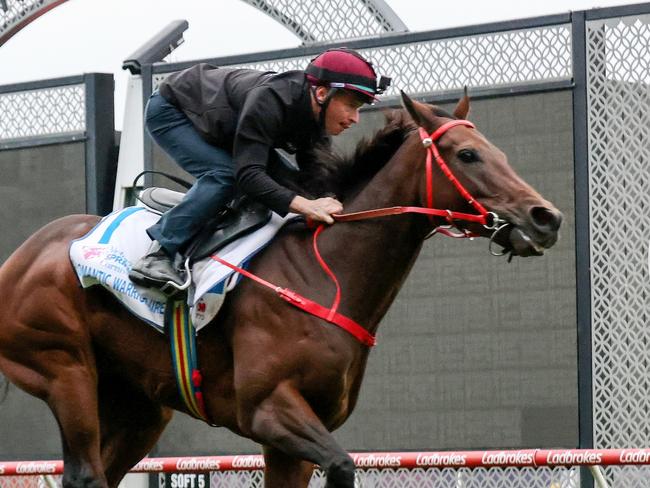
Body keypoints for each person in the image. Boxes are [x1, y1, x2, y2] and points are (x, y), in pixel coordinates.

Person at [129, 47, 390, 291]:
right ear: (322, 94)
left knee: (295, 188)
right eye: (351, 106)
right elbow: (248, 175)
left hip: (225, 125)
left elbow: (315, 181)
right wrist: (308, 206)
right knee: (225, 176)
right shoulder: (271, 100)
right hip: (173, 111)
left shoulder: (315, 120)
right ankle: (159, 253)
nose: (355, 119)